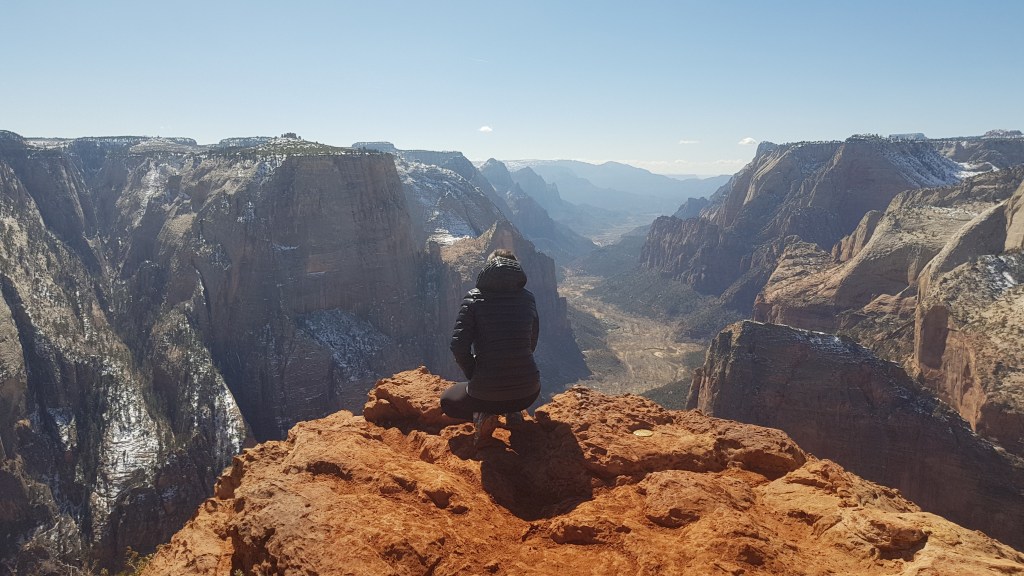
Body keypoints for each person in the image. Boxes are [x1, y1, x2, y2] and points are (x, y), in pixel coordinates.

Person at [441, 249, 541, 442]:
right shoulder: (528, 298)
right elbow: (531, 343)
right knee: (510, 394)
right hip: (528, 392)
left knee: (447, 401)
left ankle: (484, 414)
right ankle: (513, 413)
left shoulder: (474, 298)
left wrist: (475, 374)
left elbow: (458, 347)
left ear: (487, 269)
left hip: (485, 394)